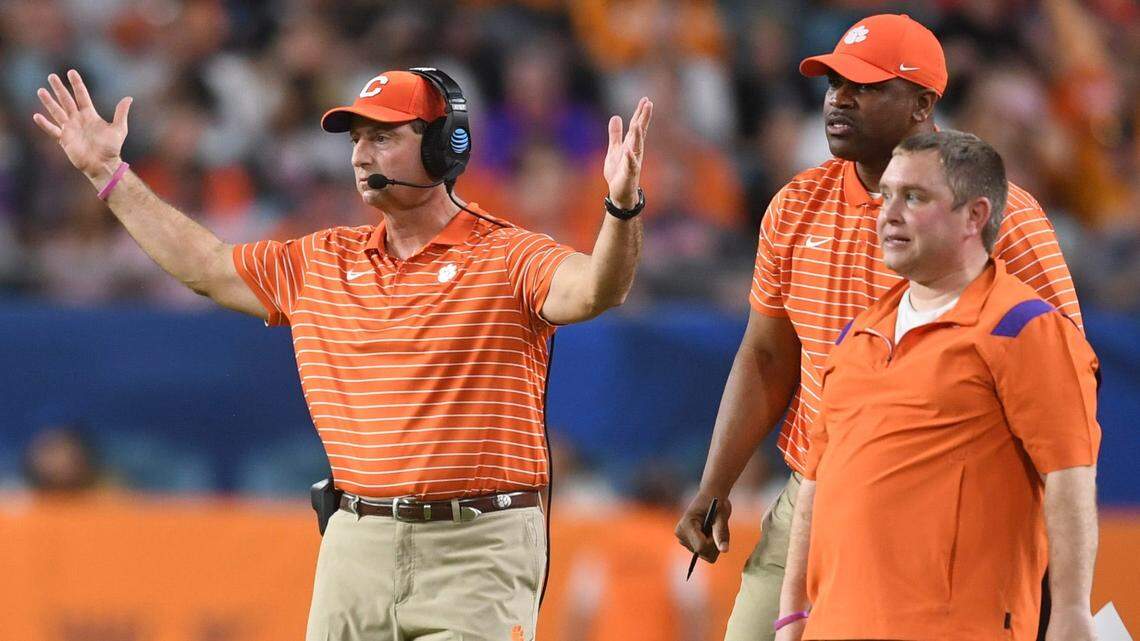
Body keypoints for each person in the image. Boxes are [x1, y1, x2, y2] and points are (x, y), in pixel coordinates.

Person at [33, 67, 652, 641]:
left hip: (478, 546)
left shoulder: (510, 255)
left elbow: (598, 288)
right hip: (355, 542)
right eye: (357, 138)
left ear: (444, 146)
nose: (361, 154)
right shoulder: (320, 260)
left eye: (383, 136)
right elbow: (205, 267)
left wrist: (620, 207)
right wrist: (108, 175)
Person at [673, 14, 1082, 641]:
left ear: (923, 103)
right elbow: (765, 357)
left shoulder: (1000, 216)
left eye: (865, 86)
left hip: (947, 515)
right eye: (835, 83)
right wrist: (716, 482)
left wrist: (1057, 579)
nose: (838, 98)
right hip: (814, 495)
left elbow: (1067, 383)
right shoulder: (794, 206)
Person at [775, 130, 1100, 641]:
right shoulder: (857, 336)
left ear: (975, 216)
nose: (888, 213)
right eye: (887, 195)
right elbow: (816, 484)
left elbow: (1069, 474)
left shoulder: (1024, 328)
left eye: (915, 197)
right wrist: (792, 617)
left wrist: (1072, 613)